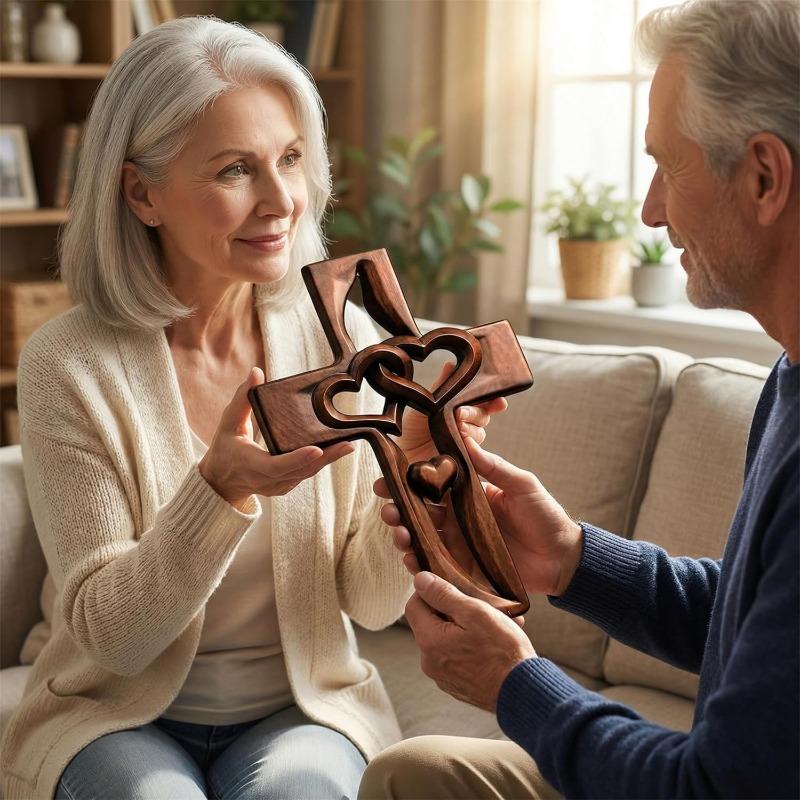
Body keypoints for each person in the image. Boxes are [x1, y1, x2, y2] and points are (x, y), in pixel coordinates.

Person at [0, 17, 506, 800]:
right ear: (141, 192)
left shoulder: (338, 336)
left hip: (300, 712)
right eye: (236, 169)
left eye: (291, 159)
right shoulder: (69, 363)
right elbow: (113, 641)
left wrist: (414, 474)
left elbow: (371, 604)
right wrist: (218, 493)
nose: (282, 201)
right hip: (114, 716)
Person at [361, 1, 799, 798]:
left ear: (765, 176)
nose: (650, 209)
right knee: (414, 774)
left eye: (669, 165)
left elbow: (710, 790)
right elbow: (749, 624)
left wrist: (514, 683)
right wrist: (570, 557)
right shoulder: (791, 377)